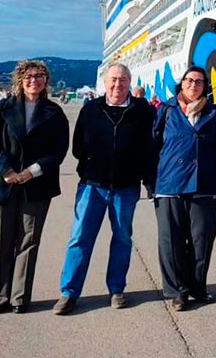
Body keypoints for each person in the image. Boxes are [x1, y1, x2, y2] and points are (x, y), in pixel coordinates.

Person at [53, 63, 156, 315]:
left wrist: (145, 177)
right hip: (92, 186)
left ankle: (116, 289)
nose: (117, 84)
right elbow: (78, 146)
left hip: (126, 187)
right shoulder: (91, 109)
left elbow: (151, 147)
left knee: (122, 239)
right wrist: (91, 165)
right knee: (80, 239)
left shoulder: (143, 111)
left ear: (130, 82)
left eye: (122, 79)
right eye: (113, 79)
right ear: (105, 82)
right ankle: (69, 292)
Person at [0, 59, 69, 313]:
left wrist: (33, 171)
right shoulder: (2, 108)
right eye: (29, 76)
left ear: (46, 81)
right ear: (20, 80)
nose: (34, 80)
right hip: (2, 183)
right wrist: (7, 170)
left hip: (37, 184)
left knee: (29, 241)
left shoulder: (54, 112)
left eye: (40, 75)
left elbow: (59, 149)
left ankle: (19, 297)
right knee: (1, 241)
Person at [152, 66, 216, 311]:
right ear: (181, 83)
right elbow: (152, 146)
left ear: (205, 86)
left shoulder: (212, 113)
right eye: (189, 80)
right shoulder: (166, 109)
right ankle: (178, 291)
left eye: (199, 81)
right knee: (171, 240)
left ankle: (198, 286)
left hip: (204, 184)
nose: (194, 85)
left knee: (202, 239)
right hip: (170, 183)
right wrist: (150, 181)